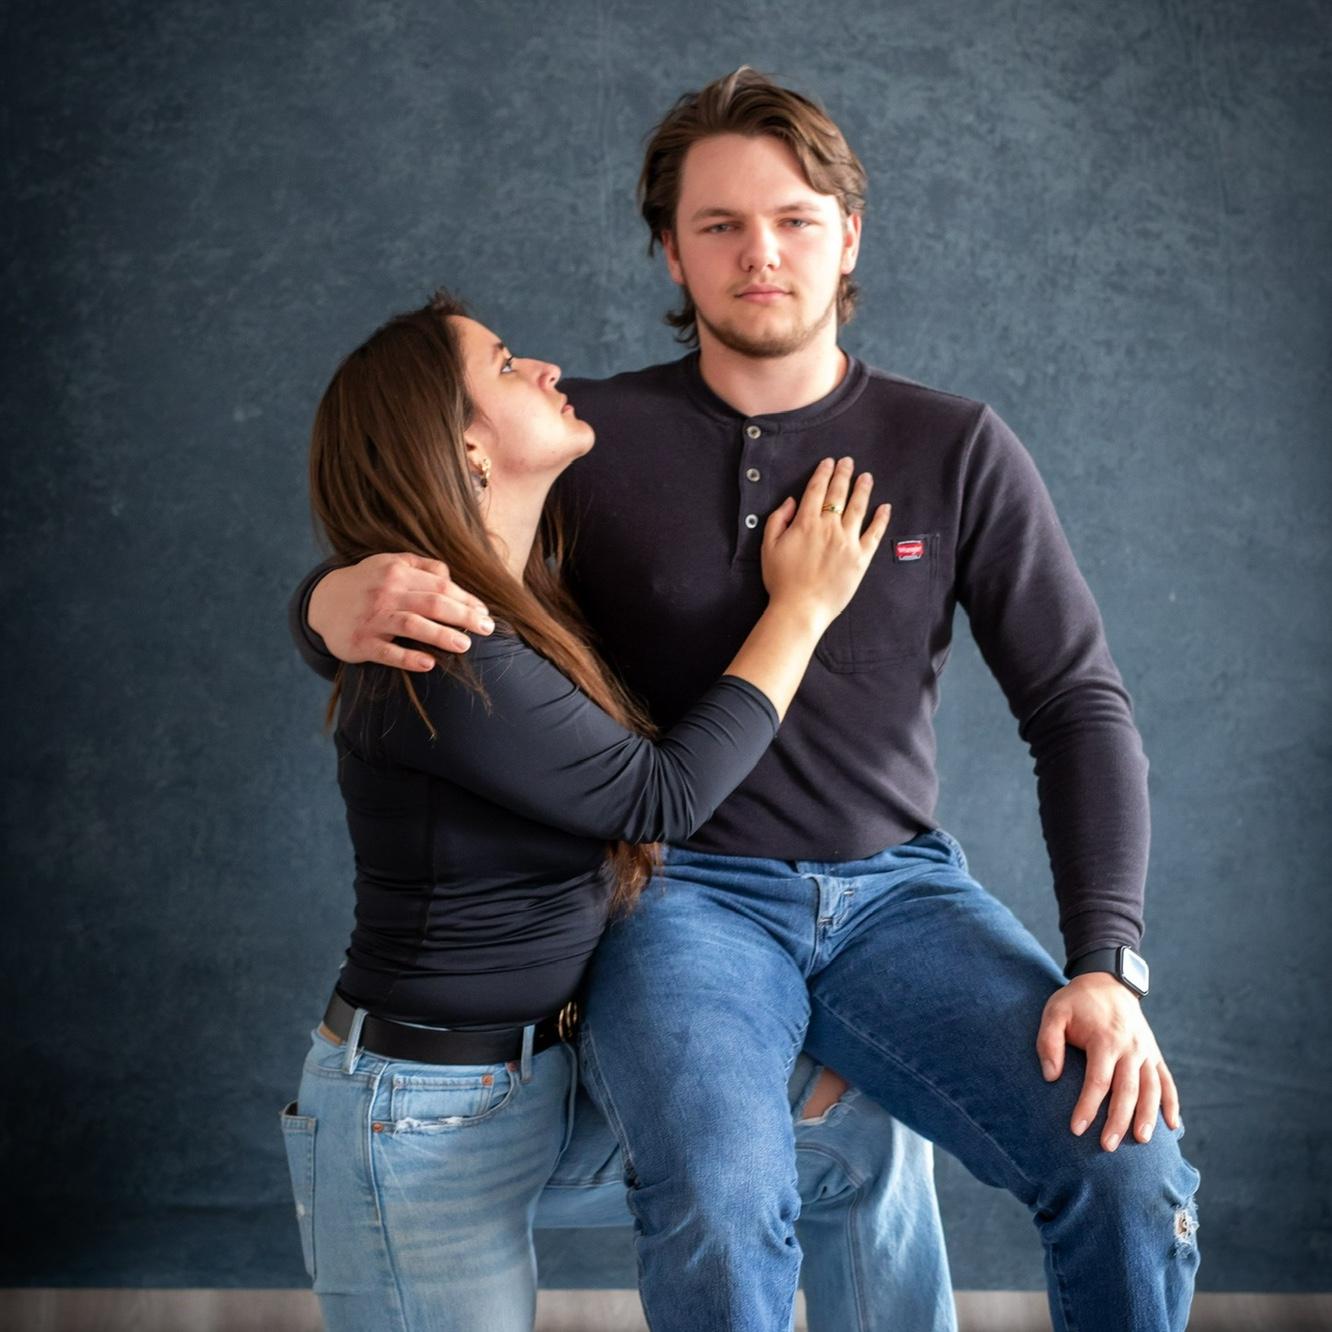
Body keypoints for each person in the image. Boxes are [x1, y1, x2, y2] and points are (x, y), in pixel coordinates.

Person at [292, 69, 1202, 1332]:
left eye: (793, 217)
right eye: (717, 224)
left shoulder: (957, 447)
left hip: (901, 895)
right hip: (683, 897)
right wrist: (329, 601)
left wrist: (1106, 960)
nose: (759, 252)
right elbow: (436, 536)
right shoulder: (582, 438)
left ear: (849, 235)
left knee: (1127, 1162)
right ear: (669, 248)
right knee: (722, 1201)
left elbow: (1077, 705)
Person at [280, 290, 957, 1332]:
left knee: (860, 1128)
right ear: (467, 449)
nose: (546, 367)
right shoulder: (450, 649)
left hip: (541, 1078)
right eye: (507, 366)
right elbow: (663, 795)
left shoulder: (515, 597)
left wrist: (320, 601)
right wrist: (803, 607)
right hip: (419, 1118)